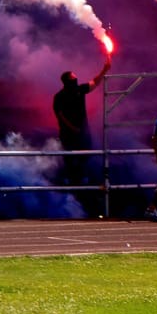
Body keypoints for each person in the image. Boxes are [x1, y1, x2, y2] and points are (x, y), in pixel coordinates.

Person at [53, 54, 113, 212]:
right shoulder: (59, 97)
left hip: (83, 135)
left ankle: (84, 190)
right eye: (73, 77)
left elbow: (95, 83)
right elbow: (59, 114)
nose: (76, 78)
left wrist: (104, 69)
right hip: (69, 136)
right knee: (71, 162)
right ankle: (71, 191)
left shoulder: (80, 90)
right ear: (67, 80)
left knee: (85, 159)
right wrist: (72, 128)